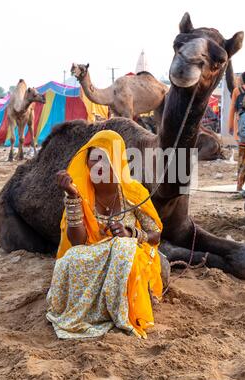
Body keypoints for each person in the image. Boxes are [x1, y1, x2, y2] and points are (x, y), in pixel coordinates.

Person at [46, 130, 163, 340]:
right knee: (70, 259)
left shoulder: (133, 192)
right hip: (97, 254)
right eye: (93, 160)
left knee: (123, 248)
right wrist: (72, 198)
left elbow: (155, 235)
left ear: (117, 161)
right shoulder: (81, 193)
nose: (98, 166)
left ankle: (120, 312)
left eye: (104, 159)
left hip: (132, 252)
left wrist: (131, 233)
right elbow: (78, 242)